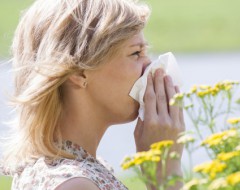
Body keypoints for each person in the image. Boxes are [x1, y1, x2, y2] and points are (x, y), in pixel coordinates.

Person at [0, 0, 185, 189]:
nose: (150, 67)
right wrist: (165, 172)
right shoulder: (75, 184)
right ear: (79, 72)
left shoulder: (75, 169)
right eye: (136, 53)